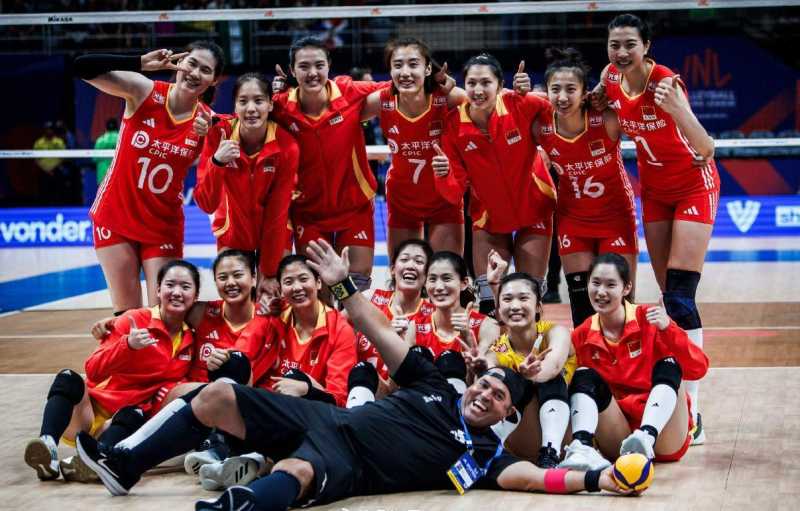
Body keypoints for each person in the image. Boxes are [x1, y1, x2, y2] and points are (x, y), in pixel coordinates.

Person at [76, 239, 628, 509]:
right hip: (325, 419)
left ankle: (231, 507)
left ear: (507, 414)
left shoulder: (484, 455)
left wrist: (596, 481)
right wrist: (343, 285)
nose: (485, 393)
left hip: (352, 465)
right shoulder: (436, 384)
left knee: (296, 473)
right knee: (218, 393)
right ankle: (125, 463)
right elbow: (378, 331)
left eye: (498, 396)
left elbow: (534, 480)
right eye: (486, 383)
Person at [598, 14, 719, 443]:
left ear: (646, 46)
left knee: (681, 299)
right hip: (654, 192)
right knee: (668, 298)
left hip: (693, 187)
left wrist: (677, 108)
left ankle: (692, 412)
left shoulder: (666, 83)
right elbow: (604, 114)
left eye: (630, 44)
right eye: (614, 44)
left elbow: (706, 147)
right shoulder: (611, 78)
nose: (621, 52)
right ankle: (663, 398)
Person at [76, 41, 225, 314]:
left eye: (205, 70)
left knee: (166, 314)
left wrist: (212, 140)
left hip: (162, 224)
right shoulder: (144, 91)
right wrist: (139, 62)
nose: (195, 73)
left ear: (213, 80)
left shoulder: (210, 123)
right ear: (179, 63)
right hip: (116, 214)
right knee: (128, 316)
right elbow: (82, 67)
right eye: (191, 63)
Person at [24, 260, 200, 483]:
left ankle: (90, 461)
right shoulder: (134, 320)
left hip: (126, 420)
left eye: (185, 287)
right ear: (157, 290)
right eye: (170, 285)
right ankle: (48, 446)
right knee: (67, 378)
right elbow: (93, 370)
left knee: (133, 413)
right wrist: (127, 345)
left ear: (196, 296)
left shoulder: (191, 339)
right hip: (86, 414)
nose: (176, 292)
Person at [558, 253, 708, 471]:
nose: (601, 292)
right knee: (582, 375)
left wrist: (669, 329)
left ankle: (646, 435)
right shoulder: (581, 335)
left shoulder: (650, 319)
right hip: (618, 436)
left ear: (626, 288)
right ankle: (582, 447)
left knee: (669, 364)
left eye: (610, 285)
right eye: (595, 283)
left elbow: (698, 369)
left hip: (665, 436)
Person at [436, 54, 556, 315]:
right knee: (490, 303)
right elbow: (454, 193)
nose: (478, 90)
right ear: (463, 85)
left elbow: (559, 107)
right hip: (488, 216)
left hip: (534, 205)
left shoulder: (520, 104)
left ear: (500, 85)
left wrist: (548, 147)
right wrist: (443, 175)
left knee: (528, 298)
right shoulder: (453, 125)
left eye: (486, 83)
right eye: (471, 83)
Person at [269, 36, 389, 294]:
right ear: (292, 71)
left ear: (329, 66)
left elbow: (398, 87)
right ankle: (327, 319)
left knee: (355, 285)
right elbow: (243, 113)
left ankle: (346, 321)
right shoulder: (279, 107)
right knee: (319, 288)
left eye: (319, 65)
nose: (312, 73)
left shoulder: (350, 91)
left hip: (354, 206)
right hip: (308, 212)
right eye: (304, 66)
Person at [534, 47, 638, 327]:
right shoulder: (541, 127)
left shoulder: (606, 119)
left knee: (620, 304)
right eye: (555, 89)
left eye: (571, 89)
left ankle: (626, 353)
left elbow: (639, 106)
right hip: (573, 219)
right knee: (582, 306)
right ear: (546, 92)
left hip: (616, 217)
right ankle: (587, 355)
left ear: (584, 93)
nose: (563, 96)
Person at [194, 73, 299, 300]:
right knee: (236, 303)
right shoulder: (218, 134)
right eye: (243, 101)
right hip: (232, 234)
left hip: (275, 231)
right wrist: (217, 162)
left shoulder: (286, 145)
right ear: (235, 106)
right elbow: (206, 203)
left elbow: (278, 210)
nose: (251, 108)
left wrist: (268, 272)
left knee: (272, 300)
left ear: (270, 104)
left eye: (258, 100)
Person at [467, 250, 575, 468]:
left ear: (538, 307)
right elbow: (489, 368)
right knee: (505, 381)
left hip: (567, 438)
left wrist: (534, 374)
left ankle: (553, 451)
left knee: (564, 378)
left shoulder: (556, 333)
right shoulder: (498, 350)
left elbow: (553, 365)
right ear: (499, 310)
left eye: (523, 298)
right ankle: (483, 448)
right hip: (523, 440)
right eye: (507, 300)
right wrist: (478, 370)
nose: (515, 306)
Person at [361, 37, 466, 256]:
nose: (405, 72)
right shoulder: (381, 101)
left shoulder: (448, 97)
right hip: (402, 201)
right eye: (398, 65)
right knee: (403, 272)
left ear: (427, 69)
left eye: (413, 64)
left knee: (446, 271)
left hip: (444, 199)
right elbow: (340, 113)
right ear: (390, 71)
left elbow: (486, 108)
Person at [354, 238, 435, 384]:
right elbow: (336, 328)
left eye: (419, 261)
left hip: (409, 393)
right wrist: (337, 283)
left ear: (427, 275)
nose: (410, 265)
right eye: (404, 259)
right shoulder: (370, 298)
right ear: (392, 270)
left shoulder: (434, 315)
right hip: (362, 389)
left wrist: (405, 345)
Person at [93, 118, 120, 185]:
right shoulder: (121, 139)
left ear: (106, 128)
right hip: (118, 176)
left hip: (103, 176)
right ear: (117, 127)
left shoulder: (100, 141)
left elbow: (94, 159)